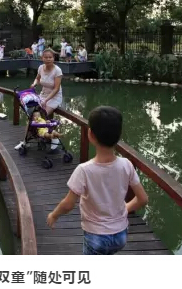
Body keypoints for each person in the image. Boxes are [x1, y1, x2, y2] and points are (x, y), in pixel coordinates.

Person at [46, 106, 149, 255]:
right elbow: (143, 199)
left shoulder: (84, 170)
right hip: (120, 236)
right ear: (119, 135)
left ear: (90, 134)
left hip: (96, 237)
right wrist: (125, 209)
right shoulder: (126, 165)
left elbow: (68, 204)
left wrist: (54, 215)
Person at [31, 48, 63, 153]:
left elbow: (56, 88)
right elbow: (37, 79)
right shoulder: (41, 67)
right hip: (43, 94)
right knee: (34, 117)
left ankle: (54, 138)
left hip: (54, 96)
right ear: (42, 58)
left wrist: (46, 100)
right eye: (46, 57)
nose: (48, 59)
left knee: (43, 116)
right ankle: (30, 139)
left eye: (50, 57)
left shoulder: (57, 70)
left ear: (53, 58)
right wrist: (34, 84)